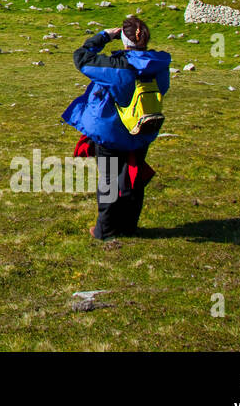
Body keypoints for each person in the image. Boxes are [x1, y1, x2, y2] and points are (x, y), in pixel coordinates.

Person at [62, 15, 171, 239]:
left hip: (112, 133)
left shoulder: (117, 67)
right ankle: (129, 226)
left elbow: (81, 58)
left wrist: (103, 36)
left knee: (110, 180)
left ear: (123, 39)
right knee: (133, 175)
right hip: (143, 129)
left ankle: (105, 229)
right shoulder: (159, 64)